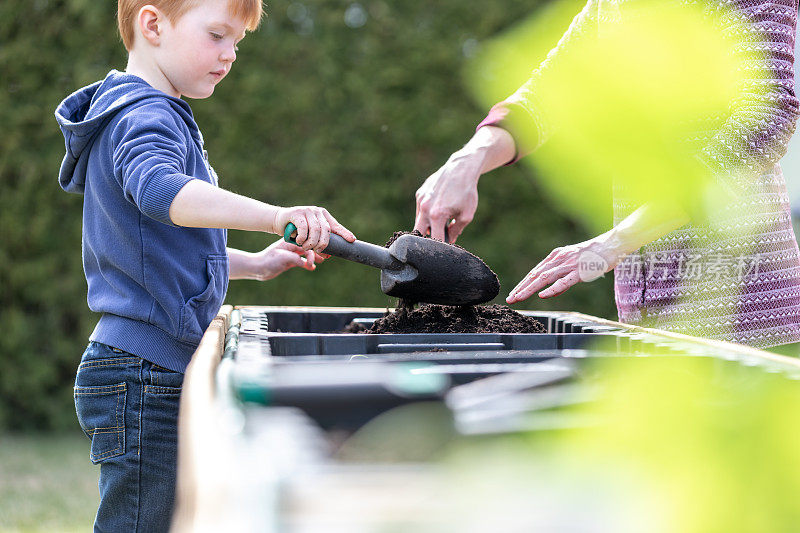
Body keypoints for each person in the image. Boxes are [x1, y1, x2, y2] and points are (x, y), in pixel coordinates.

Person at [55, 0, 355, 530]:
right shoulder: (145, 115)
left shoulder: (137, 111)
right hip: (142, 374)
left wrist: (254, 265)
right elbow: (163, 194)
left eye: (237, 41)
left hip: (141, 367)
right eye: (217, 35)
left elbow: (161, 252)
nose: (230, 54)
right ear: (152, 25)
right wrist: (276, 215)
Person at [414, 0, 800, 351]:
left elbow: (765, 117)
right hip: (646, 325)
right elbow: (545, 96)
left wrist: (619, 240)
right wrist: (466, 160)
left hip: (747, 316)